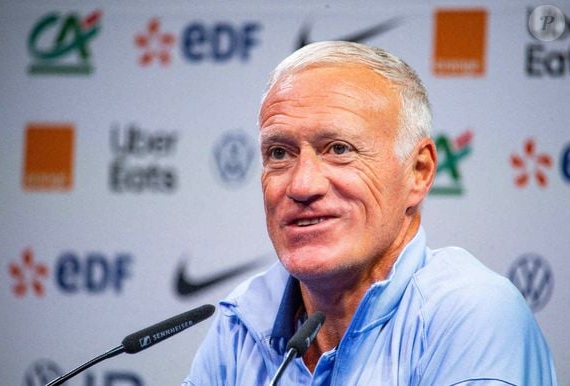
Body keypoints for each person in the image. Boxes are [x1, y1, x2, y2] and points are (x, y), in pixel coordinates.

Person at [183, 41, 558, 385]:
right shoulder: (243, 320)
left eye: (339, 149)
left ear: (419, 172)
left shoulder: (473, 313)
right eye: (279, 153)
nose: (301, 186)